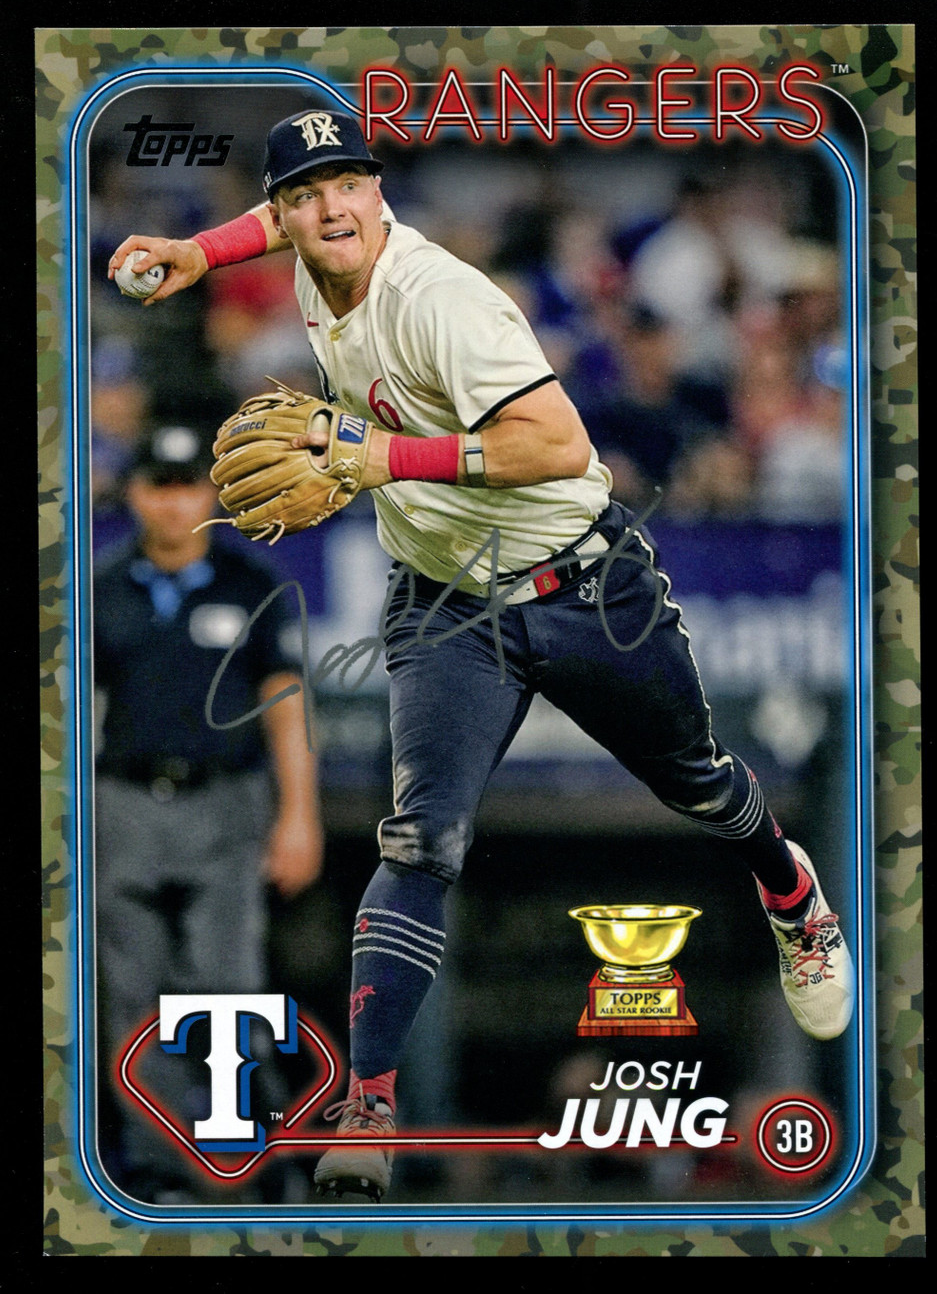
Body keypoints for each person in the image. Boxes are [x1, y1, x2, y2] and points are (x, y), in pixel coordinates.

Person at [109, 109, 853, 1204]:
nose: (330, 209)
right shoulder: (313, 246)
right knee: (420, 841)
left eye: (349, 184)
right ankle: (369, 1105)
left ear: (379, 191)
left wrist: (382, 456)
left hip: (582, 585)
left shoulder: (441, 299)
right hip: (445, 601)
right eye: (308, 194)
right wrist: (197, 250)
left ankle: (790, 890)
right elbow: (276, 222)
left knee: (701, 785)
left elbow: (559, 443)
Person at [94, 423, 324, 1202]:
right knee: (134, 1002)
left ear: (210, 495)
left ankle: (262, 1165)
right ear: (135, 494)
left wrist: (300, 816)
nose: (173, 503)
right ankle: (161, 1177)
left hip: (226, 805)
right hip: (123, 805)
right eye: (159, 486)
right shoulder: (99, 587)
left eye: (188, 486)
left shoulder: (250, 584)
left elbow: (286, 707)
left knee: (226, 992)